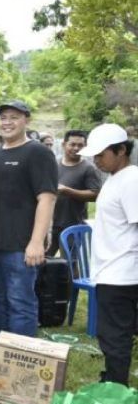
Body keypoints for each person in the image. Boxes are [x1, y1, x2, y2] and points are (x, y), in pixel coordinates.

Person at [0, 101, 58, 338]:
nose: (7, 122)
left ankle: (21, 362)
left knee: (21, 303)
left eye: (14, 117)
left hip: (20, 247)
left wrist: (36, 241)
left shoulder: (38, 153)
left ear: (27, 120)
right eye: (3, 118)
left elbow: (47, 198)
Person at [80, 123, 138, 385]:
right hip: (109, 270)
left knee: (115, 336)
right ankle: (113, 380)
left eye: (101, 155)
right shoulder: (115, 178)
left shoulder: (131, 180)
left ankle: (116, 387)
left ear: (121, 150)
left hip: (122, 273)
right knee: (112, 334)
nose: (96, 161)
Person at [47, 130, 102, 256]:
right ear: (64, 144)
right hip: (49, 223)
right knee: (43, 261)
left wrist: (67, 191)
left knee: (70, 265)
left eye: (80, 145)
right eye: (72, 144)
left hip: (73, 225)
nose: (76, 148)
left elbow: (95, 195)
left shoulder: (89, 168)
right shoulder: (53, 164)